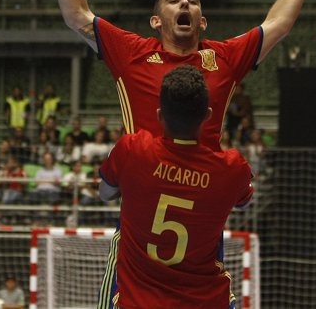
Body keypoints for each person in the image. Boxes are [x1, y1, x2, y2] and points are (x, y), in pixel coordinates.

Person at [33, 0, 316, 308]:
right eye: (174, 0)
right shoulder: (133, 53)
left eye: (192, 0)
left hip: (199, 212)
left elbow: (277, 24)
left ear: (203, 21)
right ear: (157, 21)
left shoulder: (222, 58)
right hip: (142, 213)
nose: (185, 3)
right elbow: (77, 16)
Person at [98, 66, 253, 308]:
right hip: (205, 302)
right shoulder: (232, 168)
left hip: (139, 302)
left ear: (160, 115)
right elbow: (245, 202)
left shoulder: (133, 150)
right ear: (207, 114)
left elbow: (105, 193)